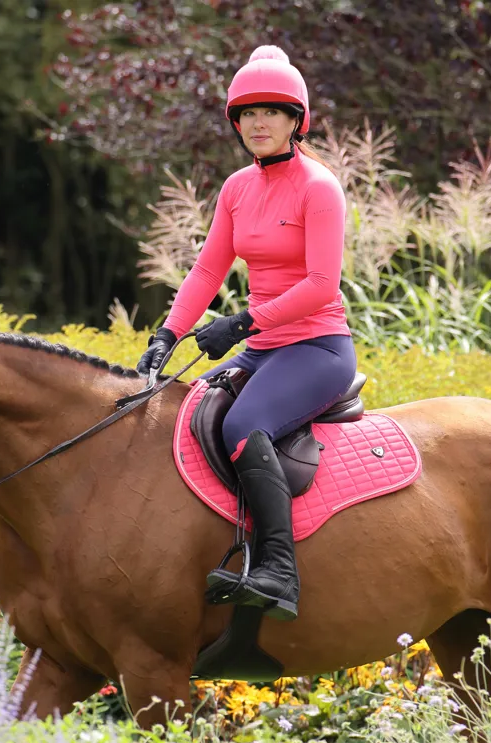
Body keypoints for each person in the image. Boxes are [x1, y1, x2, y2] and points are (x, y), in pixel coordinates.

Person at [137, 45, 357, 621]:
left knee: (242, 423)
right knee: (183, 412)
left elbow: (320, 283)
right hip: (264, 347)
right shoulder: (237, 189)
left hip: (317, 347)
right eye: (247, 114)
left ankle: (278, 572)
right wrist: (168, 333)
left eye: (272, 112)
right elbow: (210, 269)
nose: (258, 123)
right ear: (236, 123)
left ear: (295, 121)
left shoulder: (319, 187)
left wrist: (241, 323)